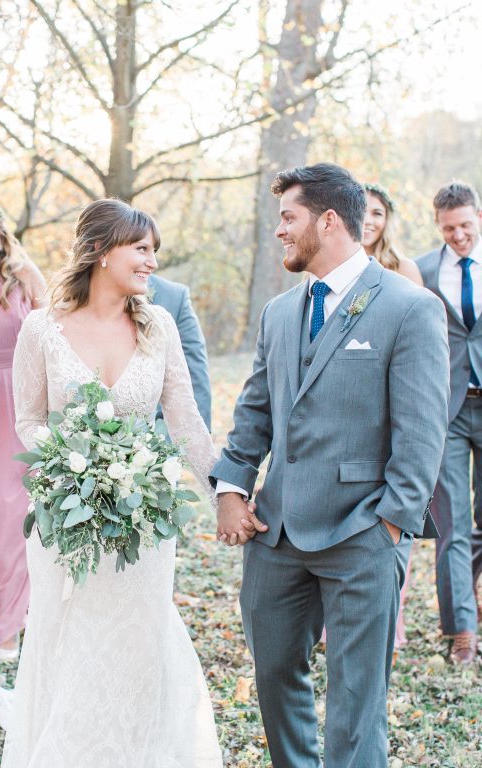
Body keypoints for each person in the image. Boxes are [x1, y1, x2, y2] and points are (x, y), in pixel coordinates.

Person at [210, 163, 449, 768]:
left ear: (329, 220)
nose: (281, 232)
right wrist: (232, 487)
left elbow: (421, 436)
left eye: (288, 218)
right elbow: (255, 413)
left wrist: (389, 526)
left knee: (355, 702)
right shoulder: (279, 313)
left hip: (361, 533)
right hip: (278, 534)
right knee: (274, 679)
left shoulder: (409, 307)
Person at [0, 199, 221, 767]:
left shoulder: (158, 326)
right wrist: (75, 466)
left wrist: (225, 492)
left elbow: (186, 419)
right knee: (69, 640)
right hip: (65, 519)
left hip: (142, 520)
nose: (151, 261)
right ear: (99, 251)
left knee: (138, 641)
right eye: (140, 248)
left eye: (154, 251)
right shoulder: (41, 328)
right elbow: (28, 419)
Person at [0, 200, 46, 662]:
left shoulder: (21, 277)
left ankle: (11, 627)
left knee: (9, 511)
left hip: (14, 402)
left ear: (3, 237)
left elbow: (54, 327)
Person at [417, 181, 482, 665]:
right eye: (449, 229)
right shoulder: (421, 271)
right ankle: (462, 630)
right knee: (451, 523)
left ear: (478, 217)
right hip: (449, 411)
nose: (458, 236)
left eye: (465, 226)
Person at [363, 183, 424, 651]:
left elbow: (417, 347)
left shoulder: (402, 270)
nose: (369, 220)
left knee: (394, 512)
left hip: (389, 403)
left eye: (378, 213)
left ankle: (392, 619)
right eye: (362, 211)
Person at [149, 273, 212, 430]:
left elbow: (195, 376)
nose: (153, 263)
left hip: (157, 442)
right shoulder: (79, 302)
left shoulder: (173, 297)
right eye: (141, 248)